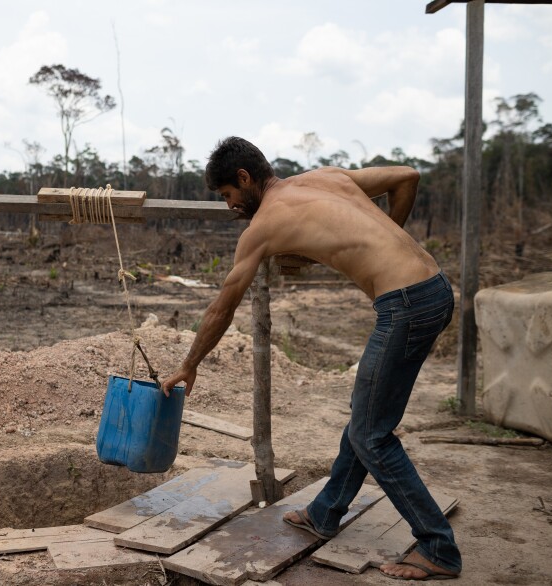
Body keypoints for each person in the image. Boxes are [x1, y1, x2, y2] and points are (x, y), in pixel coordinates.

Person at [161, 137, 461, 581]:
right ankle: (325, 512)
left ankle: (438, 548)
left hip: (407, 305)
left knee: (372, 436)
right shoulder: (325, 178)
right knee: (367, 418)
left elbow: (221, 306)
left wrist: (190, 364)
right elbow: (407, 176)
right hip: (432, 287)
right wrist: (390, 239)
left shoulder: (262, 226)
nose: (228, 206)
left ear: (244, 179)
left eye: (227, 195)